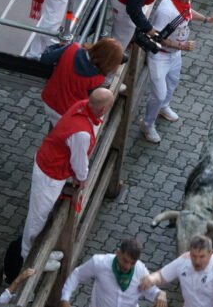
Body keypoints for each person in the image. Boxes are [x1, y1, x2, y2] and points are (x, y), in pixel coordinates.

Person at [22, 89, 115, 265]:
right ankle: (28, 256)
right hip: (50, 173)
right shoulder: (82, 133)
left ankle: (36, 252)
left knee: (41, 214)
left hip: (51, 165)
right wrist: (82, 180)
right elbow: (79, 163)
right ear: (103, 110)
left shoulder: (81, 105)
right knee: (37, 216)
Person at [140, 0, 213, 143]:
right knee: (159, 93)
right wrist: (182, 46)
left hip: (175, 54)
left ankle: (163, 107)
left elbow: (188, 12)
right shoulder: (166, 11)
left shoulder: (182, 1)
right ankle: (147, 125)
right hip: (160, 56)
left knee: (172, 82)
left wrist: (207, 19)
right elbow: (157, 36)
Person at [60, 238, 167, 307]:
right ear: (118, 253)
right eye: (125, 261)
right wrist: (65, 299)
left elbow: (152, 292)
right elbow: (77, 274)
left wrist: (160, 294)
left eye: (132, 263)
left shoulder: (140, 271)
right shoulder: (100, 263)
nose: (127, 266)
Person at [40, 38, 123, 126]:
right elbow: (90, 101)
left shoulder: (72, 48)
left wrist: (58, 45)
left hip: (49, 100)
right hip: (67, 113)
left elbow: (45, 58)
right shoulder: (98, 79)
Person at [139, 235, 213, 307]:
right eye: (194, 256)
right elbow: (161, 276)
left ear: (210, 253)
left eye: (202, 256)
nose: (197, 261)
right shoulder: (184, 260)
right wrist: (150, 279)